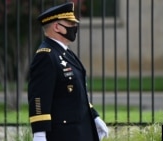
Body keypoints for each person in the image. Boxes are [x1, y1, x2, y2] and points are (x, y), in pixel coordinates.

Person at [28, 2, 109, 141]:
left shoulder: (65, 52)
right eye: (70, 24)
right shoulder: (46, 55)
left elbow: (77, 93)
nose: (74, 27)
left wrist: (94, 116)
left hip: (79, 131)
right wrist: (39, 132)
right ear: (57, 26)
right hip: (64, 134)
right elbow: (39, 97)